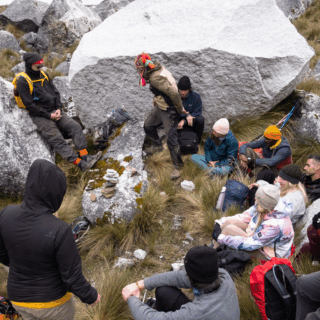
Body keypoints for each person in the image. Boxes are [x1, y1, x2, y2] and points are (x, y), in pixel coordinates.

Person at [0, 159, 101, 320]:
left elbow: (2, 253)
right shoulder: (60, 230)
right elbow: (72, 276)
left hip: (18, 299)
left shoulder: (5, 214)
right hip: (52, 304)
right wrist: (91, 296)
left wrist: (21, 265)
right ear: (57, 192)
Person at [16, 52, 101, 172]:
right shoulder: (23, 82)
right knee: (57, 139)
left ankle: (85, 157)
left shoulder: (44, 75)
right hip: (41, 116)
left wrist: (58, 109)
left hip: (54, 111)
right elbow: (30, 105)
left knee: (75, 127)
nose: (41, 69)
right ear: (30, 65)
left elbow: (55, 93)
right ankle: (80, 164)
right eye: (38, 67)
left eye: (42, 66)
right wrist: (49, 115)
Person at [122, 246, 240, 320]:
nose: (185, 274)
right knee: (163, 291)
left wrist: (131, 298)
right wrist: (141, 284)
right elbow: (178, 277)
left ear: (193, 278)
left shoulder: (196, 312)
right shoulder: (223, 274)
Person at [135, 52, 188, 180]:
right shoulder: (157, 68)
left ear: (143, 68)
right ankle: (158, 146)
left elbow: (174, 94)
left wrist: (180, 109)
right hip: (160, 106)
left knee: (171, 139)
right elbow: (164, 89)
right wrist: (156, 98)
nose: (137, 71)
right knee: (148, 126)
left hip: (169, 110)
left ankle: (178, 166)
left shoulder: (154, 78)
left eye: (138, 69)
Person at [211, 184, 294, 260]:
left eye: (257, 199)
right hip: (256, 235)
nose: (254, 199)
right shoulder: (265, 205)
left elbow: (252, 244)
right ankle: (213, 249)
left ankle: (212, 255)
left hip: (268, 254)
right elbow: (243, 217)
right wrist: (220, 223)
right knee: (228, 222)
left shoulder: (277, 225)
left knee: (228, 230)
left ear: (264, 204)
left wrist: (222, 238)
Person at [177, 76, 204, 142]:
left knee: (200, 120)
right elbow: (174, 110)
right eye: (181, 90)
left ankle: (197, 141)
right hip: (178, 120)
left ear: (189, 89)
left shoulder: (195, 97)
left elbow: (198, 112)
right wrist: (185, 116)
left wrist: (185, 120)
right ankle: (175, 142)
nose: (183, 93)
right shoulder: (175, 96)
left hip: (191, 121)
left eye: (185, 90)